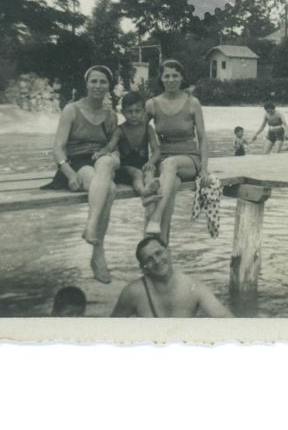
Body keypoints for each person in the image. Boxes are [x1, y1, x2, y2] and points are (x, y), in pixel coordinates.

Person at [50, 65, 119, 283]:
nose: (98, 86)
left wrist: (114, 157)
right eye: (94, 81)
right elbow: (58, 148)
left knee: (107, 161)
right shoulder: (72, 110)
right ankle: (98, 256)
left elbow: (114, 146)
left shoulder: (111, 115)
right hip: (74, 164)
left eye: (103, 82)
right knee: (111, 188)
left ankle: (90, 227)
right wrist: (70, 174)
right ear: (86, 83)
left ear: (109, 86)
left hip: (100, 162)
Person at [144, 59, 209, 243]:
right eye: (167, 76)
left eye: (175, 75)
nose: (171, 79)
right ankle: (162, 243)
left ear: (182, 78)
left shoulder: (192, 103)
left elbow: (203, 138)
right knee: (170, 186)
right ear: (161, 78)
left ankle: (155, 218)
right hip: (163, 159)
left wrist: (204, 168)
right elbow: (137, 130)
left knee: (170, 164)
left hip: (189, 159)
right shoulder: (152, 104)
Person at [111, 236, 232, 317]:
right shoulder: (133, 293)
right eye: (149, 259)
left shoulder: (194, 288)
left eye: (159, 253)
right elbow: (111, 329)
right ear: (143, 268)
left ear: (169, 252)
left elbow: (225, 318)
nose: (157, 261)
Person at [93, 91, 161, 204]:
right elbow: (110, 146)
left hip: (142, 165)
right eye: (129, 112)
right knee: (137, 173)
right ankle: (144, 193)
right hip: (124, 169)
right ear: (123, 112)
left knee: (149, 172)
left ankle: (149, 191)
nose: (134, 115)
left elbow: (156, 150)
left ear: (144, 111)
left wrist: (150, 163)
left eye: (137, 111)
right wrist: (100, 153)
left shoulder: (148, 128)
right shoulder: (120, 130)